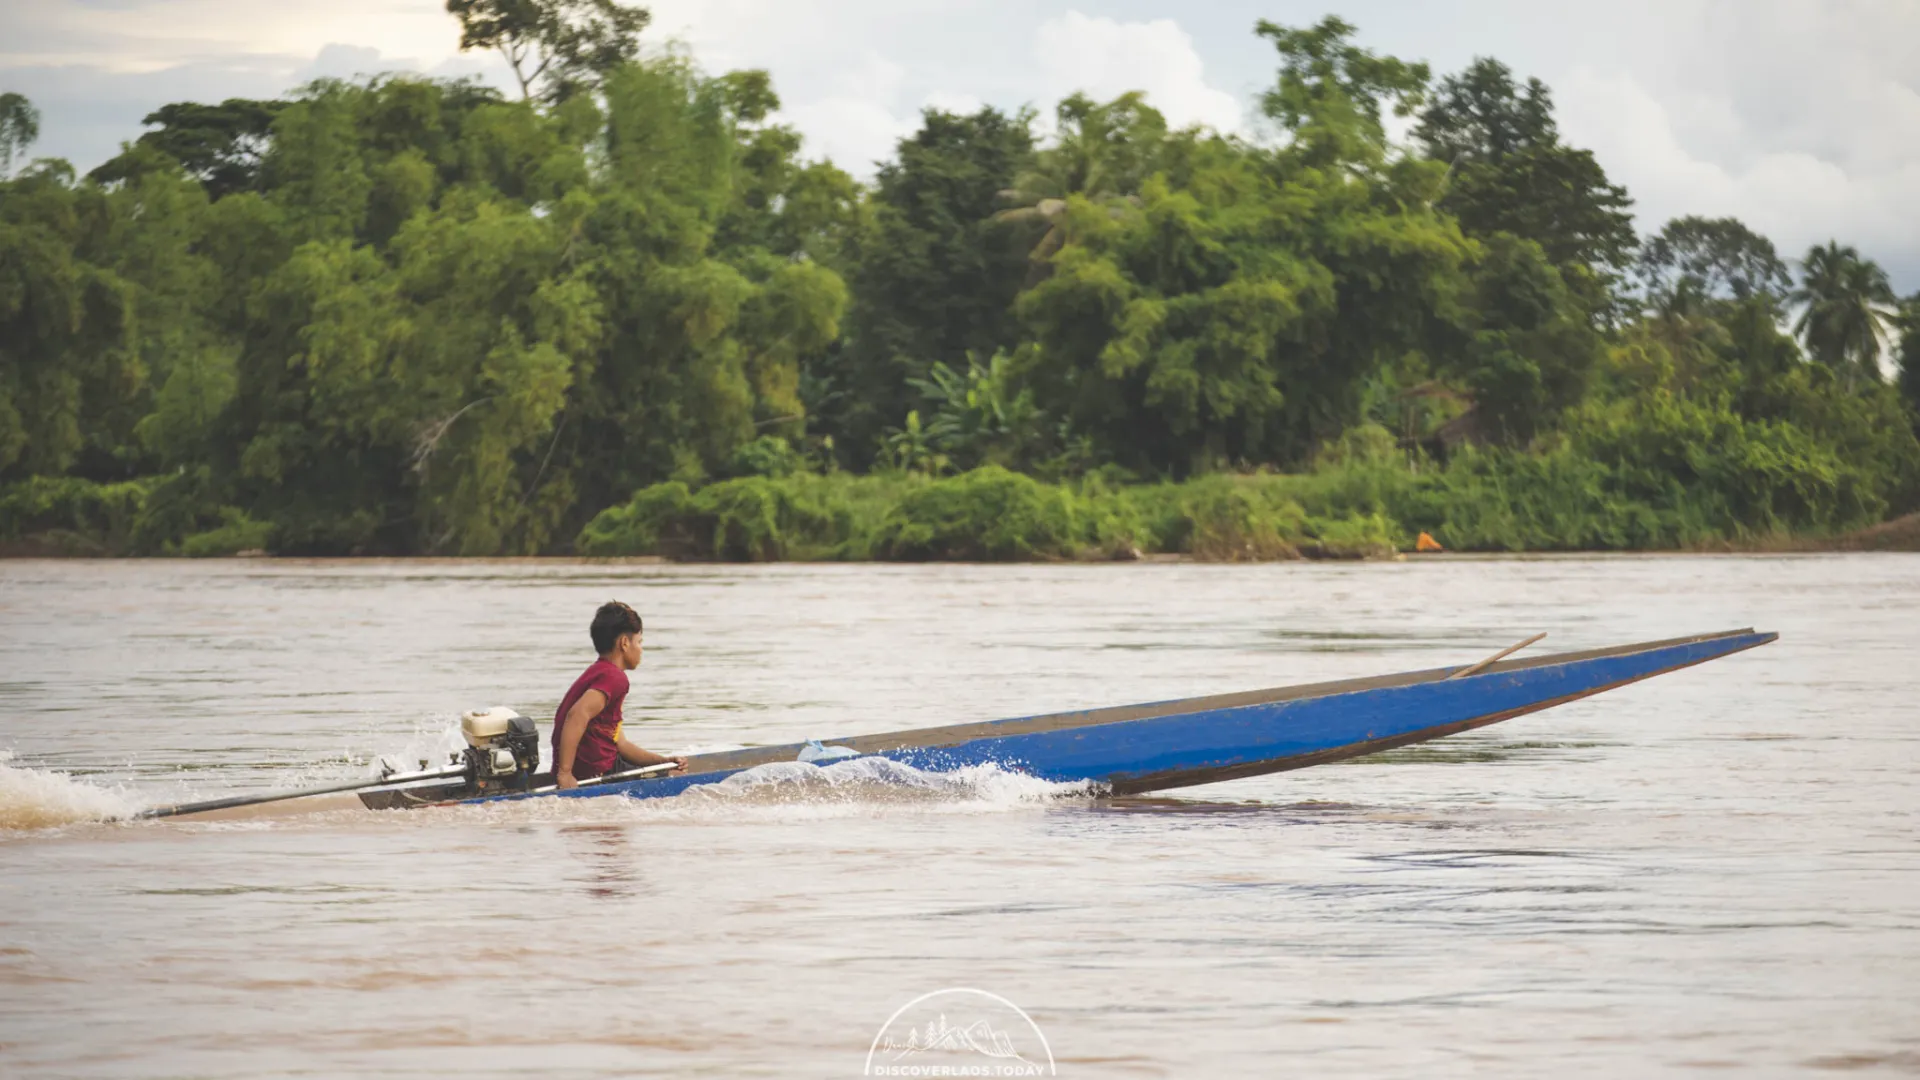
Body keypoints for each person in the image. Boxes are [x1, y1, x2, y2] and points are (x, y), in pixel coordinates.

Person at [552, 601, 686, 789]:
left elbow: (621, 744)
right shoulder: (615, 678)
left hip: (593, 766)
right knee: (675, 777)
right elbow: (577, 715)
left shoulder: (598, 672)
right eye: (639, 642)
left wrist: (661, 761)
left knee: (666, 769)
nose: (641, 649)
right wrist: (565, 774)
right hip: (597, 771)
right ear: (624, 643)